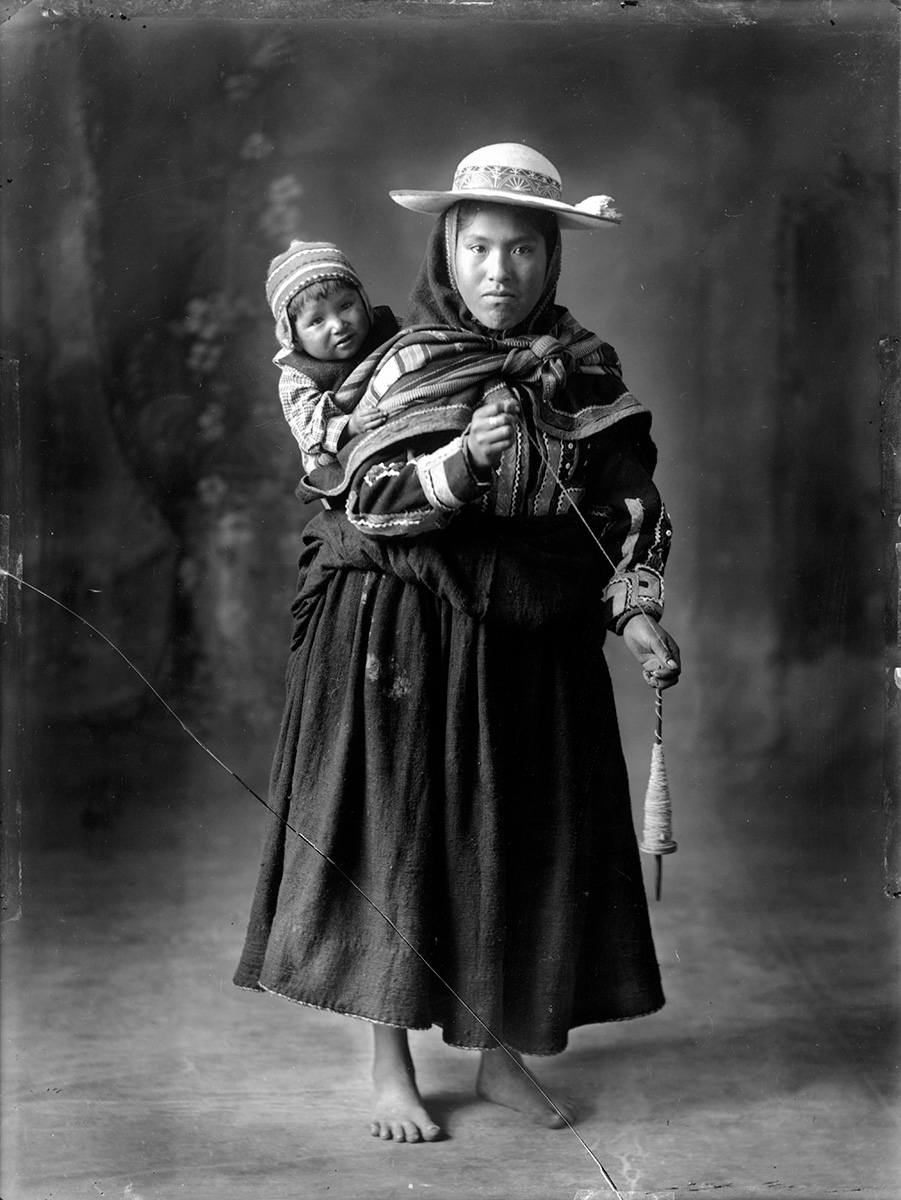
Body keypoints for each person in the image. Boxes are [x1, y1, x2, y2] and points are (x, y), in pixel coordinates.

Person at [236, 144, 681, 1146]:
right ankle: (390, 1061)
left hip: (531, 645)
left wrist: (636, 609)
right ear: (448, 247)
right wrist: (459, 466)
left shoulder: (584, 370)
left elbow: (623, 517)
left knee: (518, 846)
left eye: (522, 248)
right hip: (406, 636)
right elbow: (364, 498)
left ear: (550, 257)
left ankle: (497, 1058)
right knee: (404, 841)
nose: (498, 271)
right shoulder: (399, 365)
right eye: (477, 246)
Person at [266, 240, 399, 471]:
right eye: (317, 321)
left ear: (364, 301)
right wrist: (349, 427)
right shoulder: (298, 376)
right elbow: (308, 431)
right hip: (343, 461)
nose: (338, 325)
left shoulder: (388, 329)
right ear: (293, 337)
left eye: (346, 305)